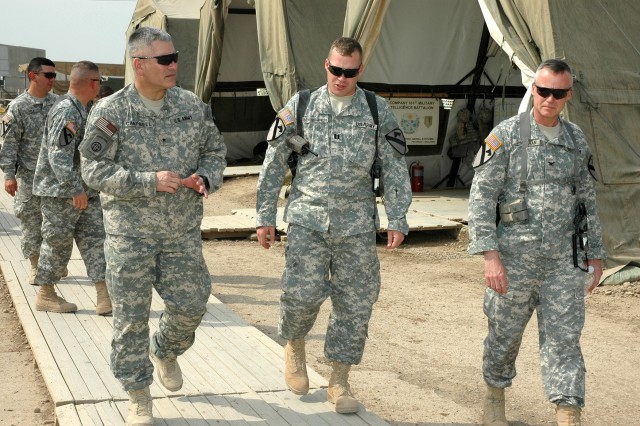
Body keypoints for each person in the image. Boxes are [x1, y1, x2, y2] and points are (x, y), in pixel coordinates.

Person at [255, 37, 412, 414]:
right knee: (302, 295)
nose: (341, 78)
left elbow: (393, 167)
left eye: (350, 71)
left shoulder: (376, 109)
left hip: (356, 224)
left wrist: (398, 216)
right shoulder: (302, 104)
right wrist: (265, 216)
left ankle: (339, 379)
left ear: (360, 70)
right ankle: (294, 344)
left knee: (355, 303)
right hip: (307, 218)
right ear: (326, 65)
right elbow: (274, 161)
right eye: (335, 69)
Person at [79, 27, 227, 426]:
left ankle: (164, 350)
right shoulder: (111, 111)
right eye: (164, 60)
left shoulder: (192, 106)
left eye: (175, 57)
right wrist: (148, 181)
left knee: (193, 303)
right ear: (139, 64)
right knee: (130, 318)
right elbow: (92, 169)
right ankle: (138, 393)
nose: (173, 65)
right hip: (130, 234)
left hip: (180, 231)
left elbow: (215, 151)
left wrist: (205, 178)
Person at [467, 59, 606, 426]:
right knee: (504, 335)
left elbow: (587, 201)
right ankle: (494, 395)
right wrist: (490, 257)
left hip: (563, 263)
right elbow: (481, 197)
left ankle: (567, 411)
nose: (549, 99)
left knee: (564, 339)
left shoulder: (576, 140)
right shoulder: (508, 135)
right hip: (514, 261)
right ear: (533, 90)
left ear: (568, 96)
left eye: (558, 93)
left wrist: (595, 255)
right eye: (543, 91)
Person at [32, 61, 111, 316]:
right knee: (58, 244)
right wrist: (75, 188)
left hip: (84, 192)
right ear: (92, 83)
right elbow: (58, 155)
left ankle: (103, 294)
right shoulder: (67, 111)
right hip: (61, 193)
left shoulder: (85, 110)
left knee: (96, 240)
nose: (100, 85)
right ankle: (45, 294)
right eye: (99, 80)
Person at [0, 57, 58, 284]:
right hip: (30, 178)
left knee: (55, 225)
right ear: (33, 76)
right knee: (31, 223)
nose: (53, 80)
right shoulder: (18, 107)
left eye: (54, 75)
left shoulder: (59, 104)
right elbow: (9, 144)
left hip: (55, 179)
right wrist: (8, 176)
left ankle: (53, 262)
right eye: (48, 75)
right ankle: (36, 265)